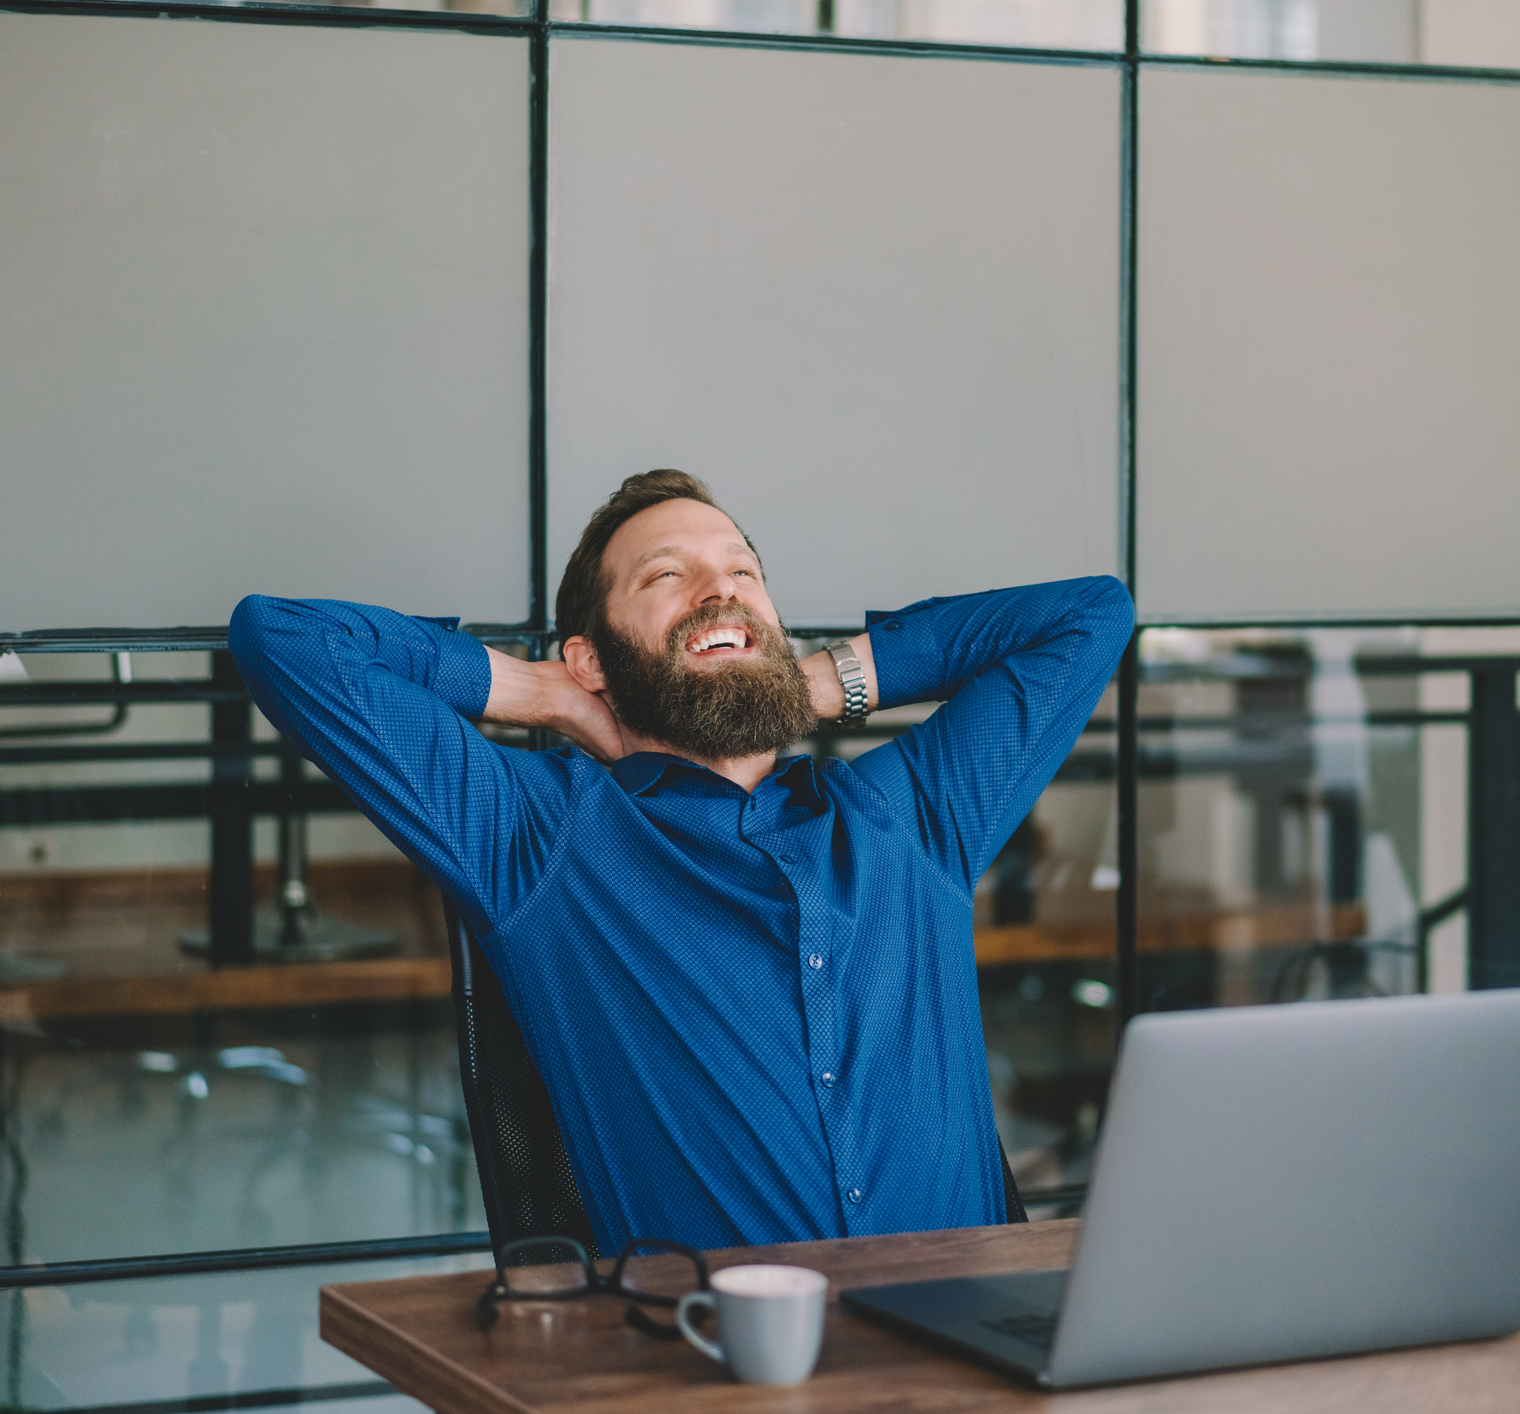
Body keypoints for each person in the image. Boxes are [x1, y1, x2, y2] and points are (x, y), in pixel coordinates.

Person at [228, 469, 1131, 1250]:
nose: (720, 591)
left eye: (743, 573)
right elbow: (284, 638)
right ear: (592, 655)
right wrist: (541, 691)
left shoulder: (910, 816)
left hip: (975, 1364)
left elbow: (1093, 614)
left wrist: (817, 679)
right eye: (670, 576)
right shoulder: (536, 838)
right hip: (716, 1374)